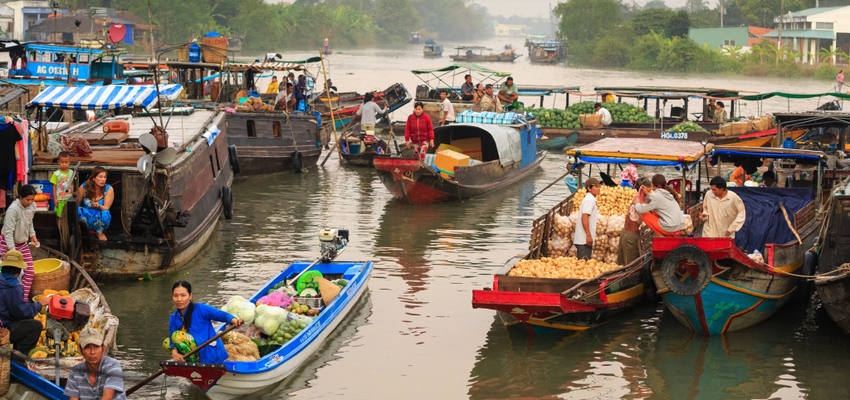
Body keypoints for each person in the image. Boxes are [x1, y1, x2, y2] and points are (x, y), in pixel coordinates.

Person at [169, 281, 242, 364]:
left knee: (177, 336)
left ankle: (195, 362)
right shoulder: (173, 318)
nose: (179, 299)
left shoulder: (201, 308)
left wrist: (233, 320)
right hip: (192, 353)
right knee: (168, 341)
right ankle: (187, 360)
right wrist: (174, 353)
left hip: (209, 353)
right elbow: (172, 340)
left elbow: (221, 315)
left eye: (183, 295)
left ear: (190, 296)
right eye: (176, 296)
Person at [0, 251, 49, 356]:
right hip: (4, 327)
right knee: (35, 326)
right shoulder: (14, 287)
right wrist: (39, 304)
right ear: (18, 272)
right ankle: (19, 357)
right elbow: (22, 312)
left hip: (3, 320)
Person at [64, 327, 126, 400]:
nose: (92, 352)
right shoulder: (75, 371)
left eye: (96, 347)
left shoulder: (112, 366)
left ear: (103, 348)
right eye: (87, 347)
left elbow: (107, 398)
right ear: (80, 350)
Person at [1, 185, 37, 300]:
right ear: (20, 197)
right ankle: (6, 300)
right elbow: (8, 232)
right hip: (7, 243)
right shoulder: (13, 210)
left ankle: (22, 299)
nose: (30, 202)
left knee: (29, 272)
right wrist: (12, 251)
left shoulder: (32, 206)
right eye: (27, 200)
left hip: (22, 244)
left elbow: (30, 222)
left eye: (32, 199)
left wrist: (32, 235)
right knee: (10, 274)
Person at [618, 177, 651, 265]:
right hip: (630, 236)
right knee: (630, 265)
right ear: (643, 188)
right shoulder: (638, 201)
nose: (650, 191)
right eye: (649, 189)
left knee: (627, 263)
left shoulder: (640, 198)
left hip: (630, 234)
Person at [76, 167, 113, 241]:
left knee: (105, 213)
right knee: (78, 210)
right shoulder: (84, 187)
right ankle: (82, 230)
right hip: (87, 217)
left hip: (100, 219)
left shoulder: (108, 189)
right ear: (93, 178)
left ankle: (99, 231)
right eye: (100, 177)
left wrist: (99, 206)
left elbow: (106, 207)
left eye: (105, 177)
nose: (103, 179)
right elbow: (77, 204)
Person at [574, 178, 600, 260]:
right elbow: (584, 216)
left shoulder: (591, 199)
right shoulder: (589, 200)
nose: (599, 188)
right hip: (584, 240)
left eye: (599, 186)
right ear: (589, 188)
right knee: (583, 263)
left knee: (585, 263)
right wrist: (588, 235)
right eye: (596, 187)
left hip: (584, 240)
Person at [51, 151, 75, 218]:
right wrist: (55, 199)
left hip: (68, 199)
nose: (64, 164)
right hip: (59, 199)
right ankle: (59, 225)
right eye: (62, 162)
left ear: (69, 162)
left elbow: (72, 184)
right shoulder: (56, 174)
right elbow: (54, 187)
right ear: (58, 162)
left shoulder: (71, 173)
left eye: (66, 162)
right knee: (59, 216)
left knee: (68, 216)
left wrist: (72, 194)